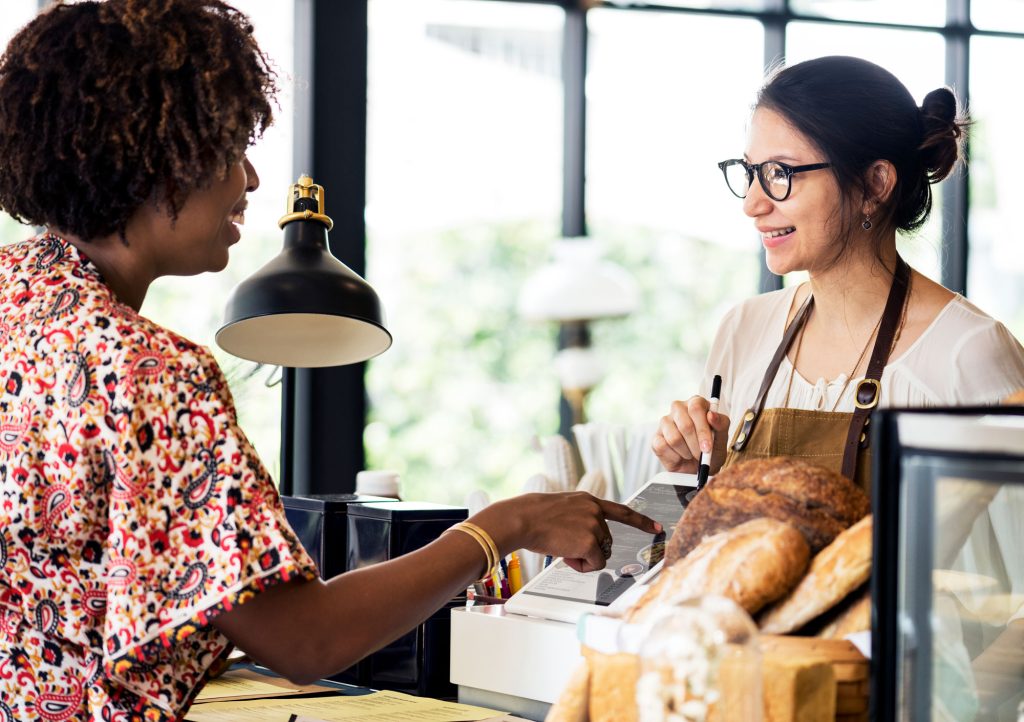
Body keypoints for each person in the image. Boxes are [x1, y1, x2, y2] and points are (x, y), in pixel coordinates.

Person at [0, 2, 660, 719]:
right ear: (158, 162)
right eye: (227, 148)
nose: (249, 179)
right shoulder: (149, 372)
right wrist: (504, 528)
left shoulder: (14, 305)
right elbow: (303, 639)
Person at [652, 55, 1024, 491]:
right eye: (752, 172)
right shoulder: (744, 330)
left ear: (874, 184)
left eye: (779, 173)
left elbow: (1003, 553)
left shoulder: (968, 353)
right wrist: (700, 471)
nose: (752, 203)